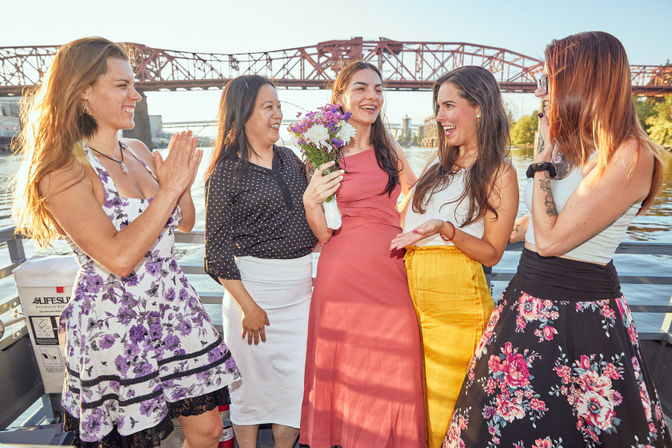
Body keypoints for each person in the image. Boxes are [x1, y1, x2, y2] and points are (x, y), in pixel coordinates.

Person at [443, 31, 672, 447]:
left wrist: (541, 164)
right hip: (525, 304)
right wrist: (457, 230)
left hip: (578, 319)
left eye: (549, 79)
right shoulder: (573, 148)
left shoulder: (632, 156)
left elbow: (550, 241)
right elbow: (537, 224)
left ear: (585, 80)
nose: (540, 91)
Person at [11, 37, 239, 448]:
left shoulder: (134, 149)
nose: (136, 95)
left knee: (207, 429)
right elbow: (118, 257)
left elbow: (183, 223)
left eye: (134, 84)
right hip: (117, 319)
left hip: (173, 306)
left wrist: (180, 184)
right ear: (83, 92)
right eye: (122, 85)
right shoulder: (64, 170)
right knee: (138, 438)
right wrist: (167, 191)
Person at [390, 66, 518, 448]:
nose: (439, 116)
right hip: (409, 298)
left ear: (478, 107)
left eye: (448, 106)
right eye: (437, 107)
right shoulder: (435, 164)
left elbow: (492, 253)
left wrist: (447, 230)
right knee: (409, 410)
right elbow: (405, 215)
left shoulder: (500, 172)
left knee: (445, 420)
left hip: (458, 307)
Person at [299, 61, 425, 447]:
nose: (372, 96)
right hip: (343, 272)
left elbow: (418, 197)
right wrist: (309, 201)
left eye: (379, 89)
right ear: (340, 97)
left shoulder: (389, 149)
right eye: (361, 88)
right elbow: (321, 230)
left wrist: (398, 223)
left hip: (390, 268)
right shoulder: (323, 153)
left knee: (399, 357)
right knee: (349, 370)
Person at [203, 75, 318, 448]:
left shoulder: (291, 159)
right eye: (268, 107)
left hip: (300, 296)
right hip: (252, 297)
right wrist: (249, 307)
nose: (278, 115)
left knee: (292, 390)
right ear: (243, 115)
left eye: (279, 106)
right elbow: (215, 255)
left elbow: (313, 216)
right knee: (249, 390)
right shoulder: (224, 174)